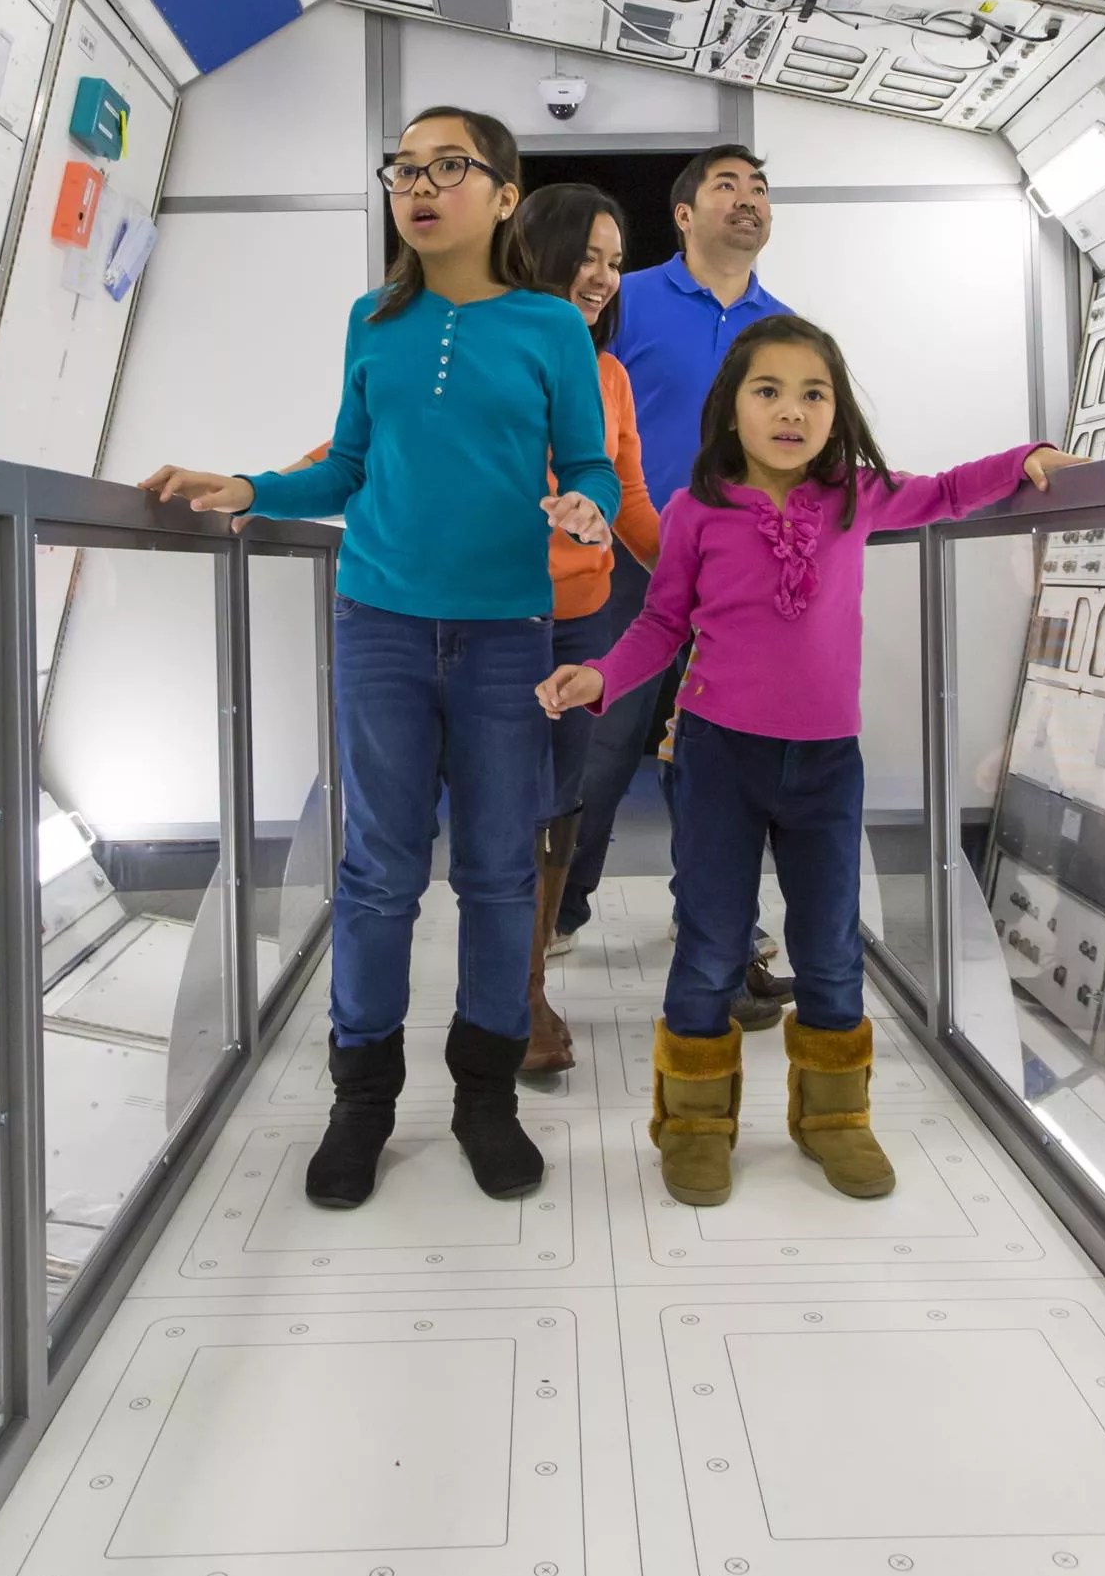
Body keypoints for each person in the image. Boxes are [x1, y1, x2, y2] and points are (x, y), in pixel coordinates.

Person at [142, 107, 617, 1210]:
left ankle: (484, 1098)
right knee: (378, 873)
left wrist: (590, 510)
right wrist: (253, 487)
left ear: (503, 193)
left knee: (502, 871)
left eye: (448, 166)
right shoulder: (374, 320)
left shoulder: (551, 328)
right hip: (383, 626)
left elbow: (591, 464)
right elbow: (348, 465)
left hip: (508, 635)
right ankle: (363, 1099)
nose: (420, 184)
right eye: (404, 167)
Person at [540, 315, 1077, 1207]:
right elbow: (661, 626)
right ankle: (695, 1124)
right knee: (712, 942)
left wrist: (1030, 457)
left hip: (827, 763)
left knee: (829, 945)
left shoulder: (854, 497)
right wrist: (598, 677)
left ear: (837, 411)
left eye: (813, 394)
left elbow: (945, 492)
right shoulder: (695, 511)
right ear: (732, 408)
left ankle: (835, 1119)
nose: (792, 410)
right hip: (716, 757)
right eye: (769, 391)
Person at [551, 146, 791, 1024]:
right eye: (726, 185)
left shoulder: (783, 327)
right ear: (684, 214)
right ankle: (561, 909)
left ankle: (723, 920)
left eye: (759, 187)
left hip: (734, 572)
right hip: (626, 561)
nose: (747, 200)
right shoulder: (627, 300)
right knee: (603, 743)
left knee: (724, 752)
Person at [507, 183, 663, 1075]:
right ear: (536, 248)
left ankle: (528, 986)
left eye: (614, 261)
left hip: (578, 620)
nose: (602, 277)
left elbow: (633, 504)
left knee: (560, 802)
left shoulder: (611, 376)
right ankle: (505, 991)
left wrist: (709, 571)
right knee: (502, 806)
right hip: (488, 616)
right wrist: (254, 490)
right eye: (587, 256)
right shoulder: (486, 346)